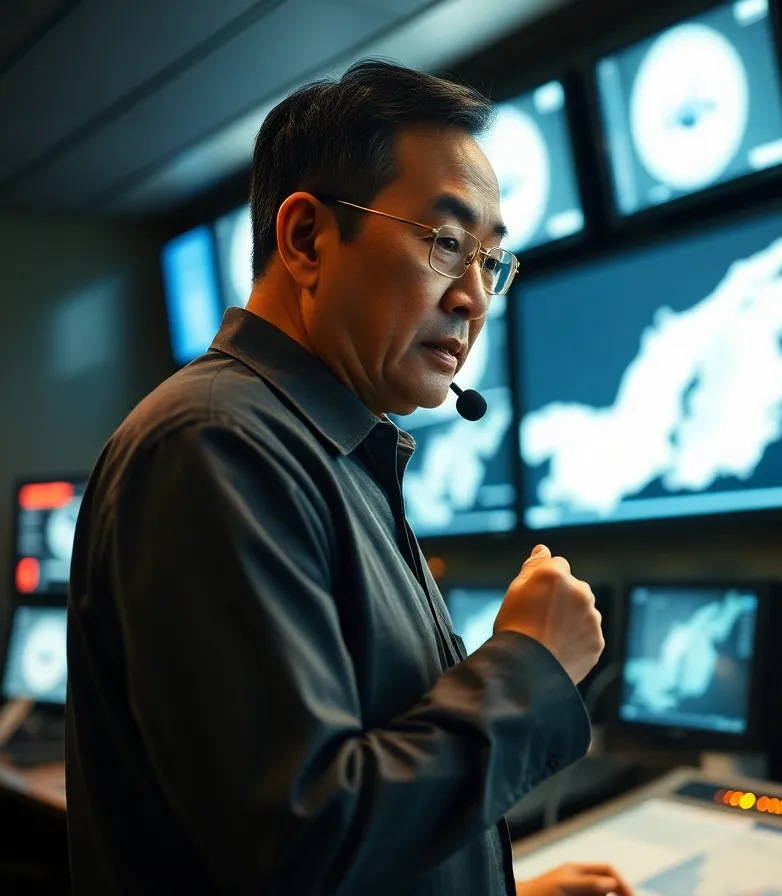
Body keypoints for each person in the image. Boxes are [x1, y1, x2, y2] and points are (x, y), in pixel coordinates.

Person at [65, 59, 633, 896]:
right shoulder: (216, 444)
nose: (475, 297)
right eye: (447, 243)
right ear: (305, 239)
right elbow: (304, 844)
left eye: (491, 261)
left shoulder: (324, 451)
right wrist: (529, 666)